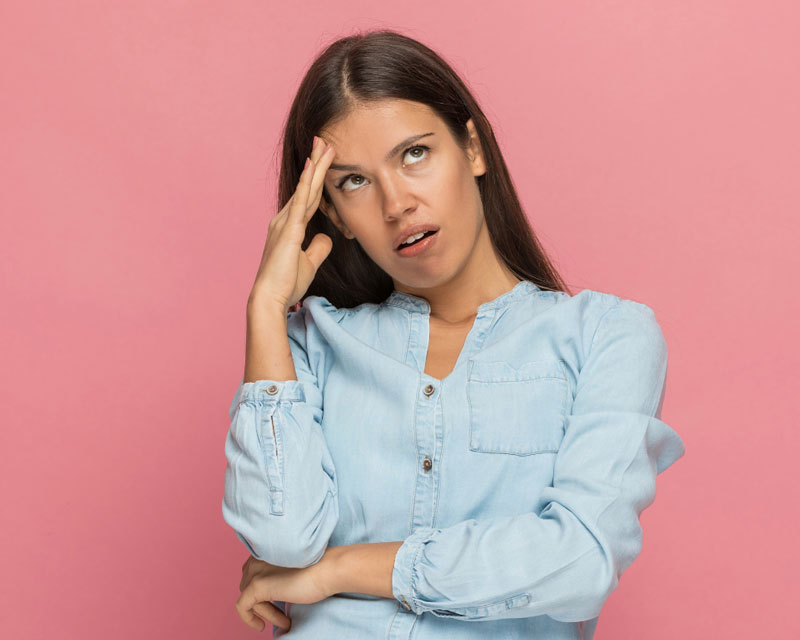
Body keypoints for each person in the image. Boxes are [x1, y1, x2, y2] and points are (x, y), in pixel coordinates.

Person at [221, 29, 686, 639]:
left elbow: (578, 560)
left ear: (471, 148)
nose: (397, 204)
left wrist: (340, 570)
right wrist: (264, 308)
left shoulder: (607, 336)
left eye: (414, 154)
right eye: (354, 181)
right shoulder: (309, 344)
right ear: (333, 215)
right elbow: (281, 538)